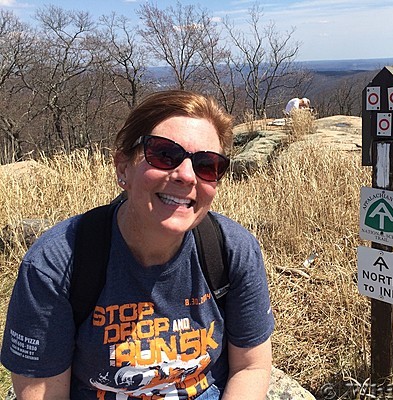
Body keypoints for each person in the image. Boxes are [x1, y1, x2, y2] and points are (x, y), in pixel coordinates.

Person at [1, 90, 275, 399]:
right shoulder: (57, 264)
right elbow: (43, 392)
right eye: (164, 155)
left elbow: (251, 367)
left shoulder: (232, 251)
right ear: (123, 168)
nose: (186, 175)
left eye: (207, 165)